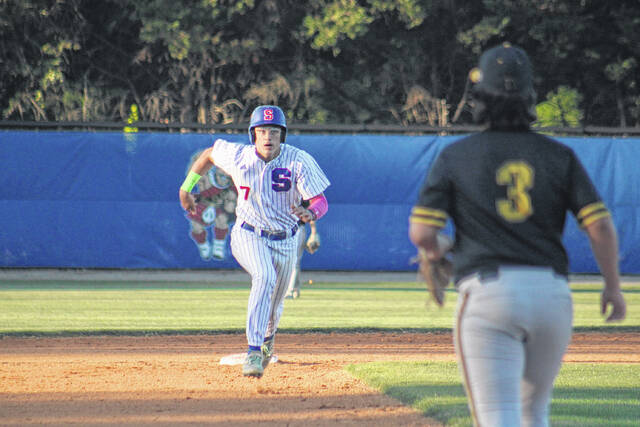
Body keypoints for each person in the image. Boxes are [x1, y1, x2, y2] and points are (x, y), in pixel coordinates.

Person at [408, 42, 626, 427]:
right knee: (533, 414)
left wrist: (441, 249)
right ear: (529, 96)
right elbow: (601, 227)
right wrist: (612, 287)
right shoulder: (559, 155)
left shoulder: (456, 156)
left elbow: (423, 233)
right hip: (551, 296)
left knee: (498, 419)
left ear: (479, 97)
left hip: (488, 294)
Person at [179, 105, 330, 378]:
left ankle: (268, 342)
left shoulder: (299, 160)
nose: (268, 136)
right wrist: (186, 187)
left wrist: (311, 212)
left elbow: (321, 201)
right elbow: (209, 154)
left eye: (274, 130)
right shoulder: (239, 156)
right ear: (253, 134)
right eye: (262, 130)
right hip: (248, 233)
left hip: (287, 238)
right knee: (264, 277)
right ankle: (253, 351)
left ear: (282, 134)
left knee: (276, 301)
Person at [184, 153, 237, 261]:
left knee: (222, 219)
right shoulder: (201, 175)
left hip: (221, 201)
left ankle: (219, 245)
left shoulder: (225, 173)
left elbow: (230, 201)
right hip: (205, 202)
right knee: (196, 225)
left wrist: (229, 199)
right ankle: (203, 246)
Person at [285, 208, 321, 299]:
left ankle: (291, 290)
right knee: (292, 261)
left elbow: (311, 214)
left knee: (294, 261)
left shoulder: (301, 196)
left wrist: (313, 233)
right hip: (286, 228)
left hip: (298, 229)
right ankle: (295, 289)